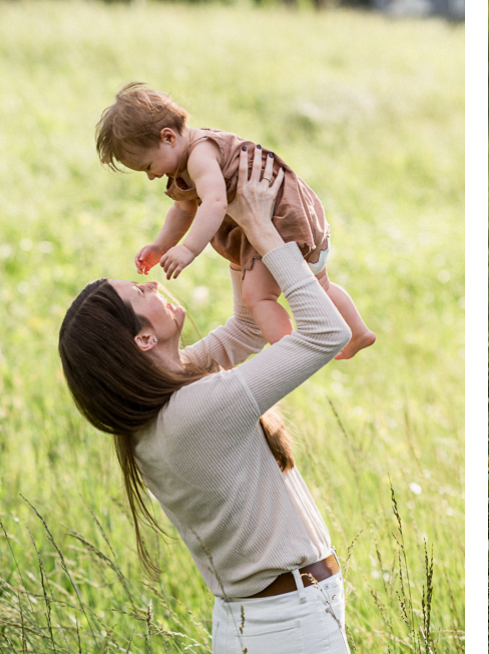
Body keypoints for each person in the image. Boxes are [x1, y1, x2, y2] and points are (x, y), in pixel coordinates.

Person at [59, 155, 354, 653]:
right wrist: (265, 232)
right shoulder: (194, 410)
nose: (152, 283)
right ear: (143, 341)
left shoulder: (161, 406)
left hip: (263, 619)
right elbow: (328, 333)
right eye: (139, 292)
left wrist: (237, 235)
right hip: (290, 624)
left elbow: (245, 329)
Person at [95, 81, 375, 359]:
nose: (152, 176)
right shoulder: (184, 161)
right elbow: (183, 209)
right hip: (286, 214)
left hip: (277, 219)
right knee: (319, 285)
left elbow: (215, 203)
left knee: (257, 297)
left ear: (168, 137)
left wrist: (189, 248)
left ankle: (296, 355)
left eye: (148, 166)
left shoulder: (200, 155)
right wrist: (161, 246)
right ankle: (358, 331)